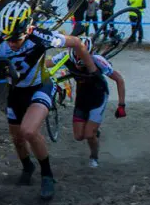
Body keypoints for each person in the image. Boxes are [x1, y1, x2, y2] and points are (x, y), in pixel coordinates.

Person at [0, 1, 98, 201]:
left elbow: (77, 43)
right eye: (7, 38)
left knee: (29, 131)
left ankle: (47, 175)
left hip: (41, 86)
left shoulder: (42, 36)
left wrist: (92, 72)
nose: (11, 43)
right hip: (16, 91)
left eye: (16, 38)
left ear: (27, 28)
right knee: (17, 139)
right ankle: (28, 167)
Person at [46, 37, 126, 168]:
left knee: (89, 134)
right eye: (76, 62)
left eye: (82, 63)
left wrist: (121, 105)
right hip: (82, 98)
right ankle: (94, 132)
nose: (78, 65)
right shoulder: (65, 56)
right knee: (78, 136)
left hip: (98, 97)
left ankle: (94, 156)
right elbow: (47, 64)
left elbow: (119, 80)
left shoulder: (98, 60)